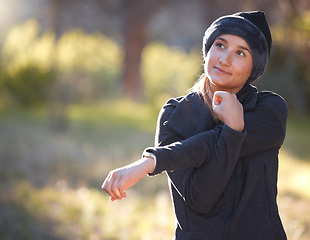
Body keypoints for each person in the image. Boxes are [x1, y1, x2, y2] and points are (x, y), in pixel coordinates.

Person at [102, 10, 287, 240]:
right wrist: (232, 130)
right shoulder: (175, 115)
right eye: (220, 45)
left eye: (241, 53)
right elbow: (200, 198)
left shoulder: (269, 110)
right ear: (208, 50)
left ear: (254, 68)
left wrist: (150, 163)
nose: (225, 59)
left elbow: (209, 143)